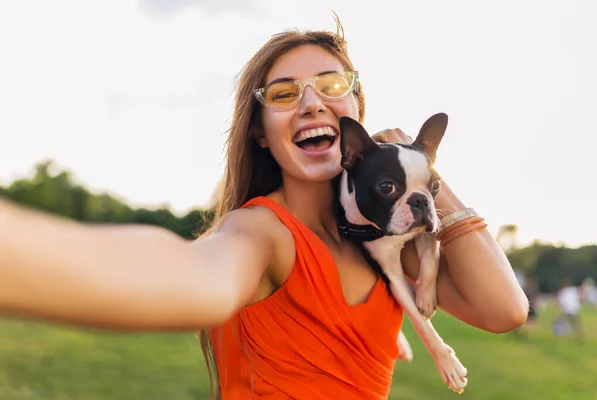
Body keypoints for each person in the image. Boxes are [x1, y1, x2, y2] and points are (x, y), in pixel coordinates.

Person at [0, 17, 528, 400]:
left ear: (355, 118)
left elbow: (504, 310)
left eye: (331, 85)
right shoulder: (263, 233)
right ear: (258, 132)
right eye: (282, 94)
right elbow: (189, 274)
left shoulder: (380, 238)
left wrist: (421, 169)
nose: (311, 102)